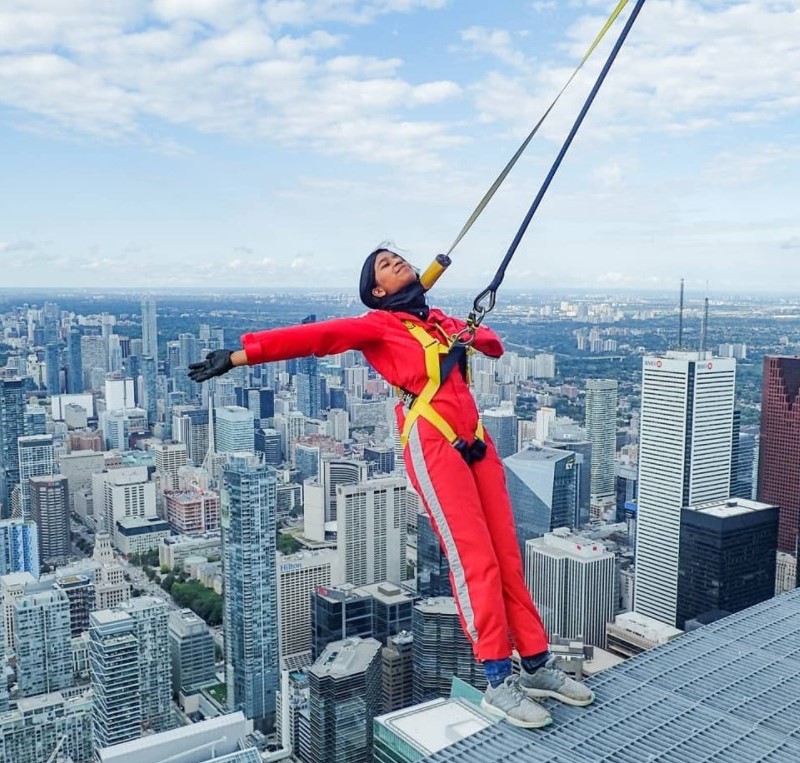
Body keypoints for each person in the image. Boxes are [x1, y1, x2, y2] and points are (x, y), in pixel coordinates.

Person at [188, 246, 594, 728]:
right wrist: (238, 355)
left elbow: (493, 345)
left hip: (476, 440)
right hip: (433, 441)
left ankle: (536, 663)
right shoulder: (379, 326)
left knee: (507, 555)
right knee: (475, 561)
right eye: (385, 264)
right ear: (377, 291)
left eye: (399, 256)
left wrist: (461, 329)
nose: (398, 261)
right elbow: (318, 337)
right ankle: (497, 679)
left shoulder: (437, 321)